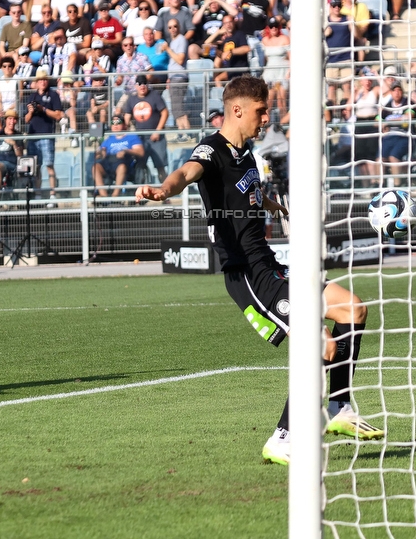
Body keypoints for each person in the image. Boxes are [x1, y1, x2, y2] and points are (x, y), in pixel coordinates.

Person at [134, 75, 383, 465]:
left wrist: (269, 204)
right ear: (237, 110)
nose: (266, 117)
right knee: (322, 345)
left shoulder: (245, 153)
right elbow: (186, 173)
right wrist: (165, 190)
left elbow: (245, 189)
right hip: (247, 274)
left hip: (270, 264)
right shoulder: (211, 149)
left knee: (354, 309)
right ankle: (283, 437)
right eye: (260, 110)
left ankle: (339, 408)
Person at [23, 69, 62, 200]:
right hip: (33, 136)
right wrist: (31, 111)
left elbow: (58, 115)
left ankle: (53, 194)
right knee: (35, 167)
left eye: (45, 79)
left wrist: (43, 109)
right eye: (40, 80)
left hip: (47, 134)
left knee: (49, 165)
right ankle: (38, 194)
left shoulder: (53, 95)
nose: (43, 82)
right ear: (37, 82)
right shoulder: (32, 97)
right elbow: (26, 119)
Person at [94, 114, 144, 197]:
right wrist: (100, 153)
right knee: (95, 167)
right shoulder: (109, 139)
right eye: (113, 123)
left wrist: (126, 151)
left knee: (121, 167)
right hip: (109, 162)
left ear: (124, 124)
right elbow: (100, 153)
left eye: (118, 122)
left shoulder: (131, 137)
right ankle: (104, 196)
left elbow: (140, 151)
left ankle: (115, 196)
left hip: (125, 162)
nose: (115, 125)